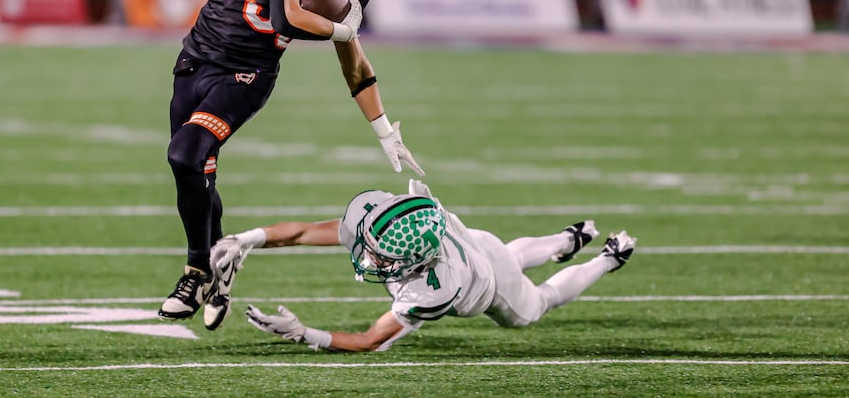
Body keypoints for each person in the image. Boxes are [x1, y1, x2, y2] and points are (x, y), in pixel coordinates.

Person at [158, 0, 424, 331]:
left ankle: (197, 270)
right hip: (198, 56)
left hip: (249, 74)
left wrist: (384, 130)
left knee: (186, 153)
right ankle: (219, 271)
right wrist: (344, 29)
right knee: (197, 170)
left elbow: (354, 66)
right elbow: (286, 14)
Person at [210, 179, 636, 352]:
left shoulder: (433, 288)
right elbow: (301, 233)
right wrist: (245, 239)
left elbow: (370, 340)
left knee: (539, 301)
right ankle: (567, 239)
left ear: (412, 259)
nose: (369, 253)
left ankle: (606, 257)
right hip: (476, 243)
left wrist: (307, 335)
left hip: (489, 286)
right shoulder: (388, 226)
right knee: (508, 251)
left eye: (380, 254)